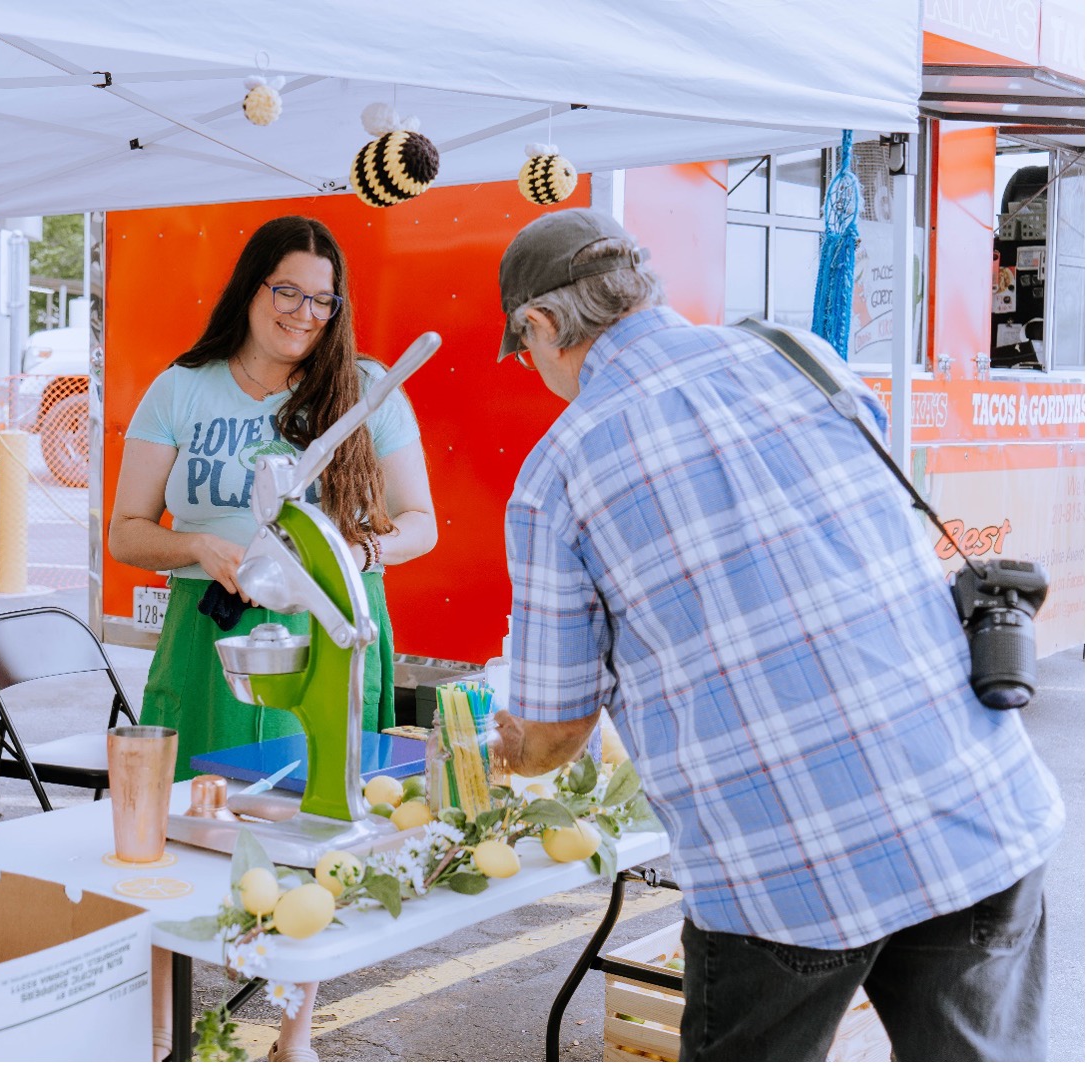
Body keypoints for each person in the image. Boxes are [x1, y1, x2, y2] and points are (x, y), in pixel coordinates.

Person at [487, 208, 1062, 1061]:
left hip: (783, 870)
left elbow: (554, 733)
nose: (532, 368)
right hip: (968, 806)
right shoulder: (800, 356)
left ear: (537, 325)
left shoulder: (558, 473)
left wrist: (502, 753)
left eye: (524, 350)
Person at [108, 215, 437, 1061]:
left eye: (321, 301)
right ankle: (158, 1030)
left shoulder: (363, 388)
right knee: (185, 819)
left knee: (311, 819)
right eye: (285, 290)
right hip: (209, 632)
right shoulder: (183, 387)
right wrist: (197, 546)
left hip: (325, 628)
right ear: (249, 288)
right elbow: (127, 532)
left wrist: (349, 550)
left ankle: (292, 1035)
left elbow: (420, 524)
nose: (301, 313)